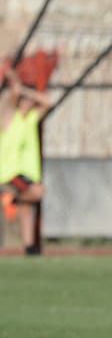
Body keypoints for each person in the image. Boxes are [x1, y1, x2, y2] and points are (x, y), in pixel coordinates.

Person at [0, 63, 51, 256]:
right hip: (10, 172)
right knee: (37, 193)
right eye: (26, 101)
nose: (30, 104)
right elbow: (15, 92)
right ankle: (8, 198)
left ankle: (29, 247)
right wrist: (12, 76)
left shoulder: (30, 120)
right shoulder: (9, 119)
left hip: (27, 173)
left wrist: (30, 94)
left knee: (27, 209)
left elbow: (47, 102)